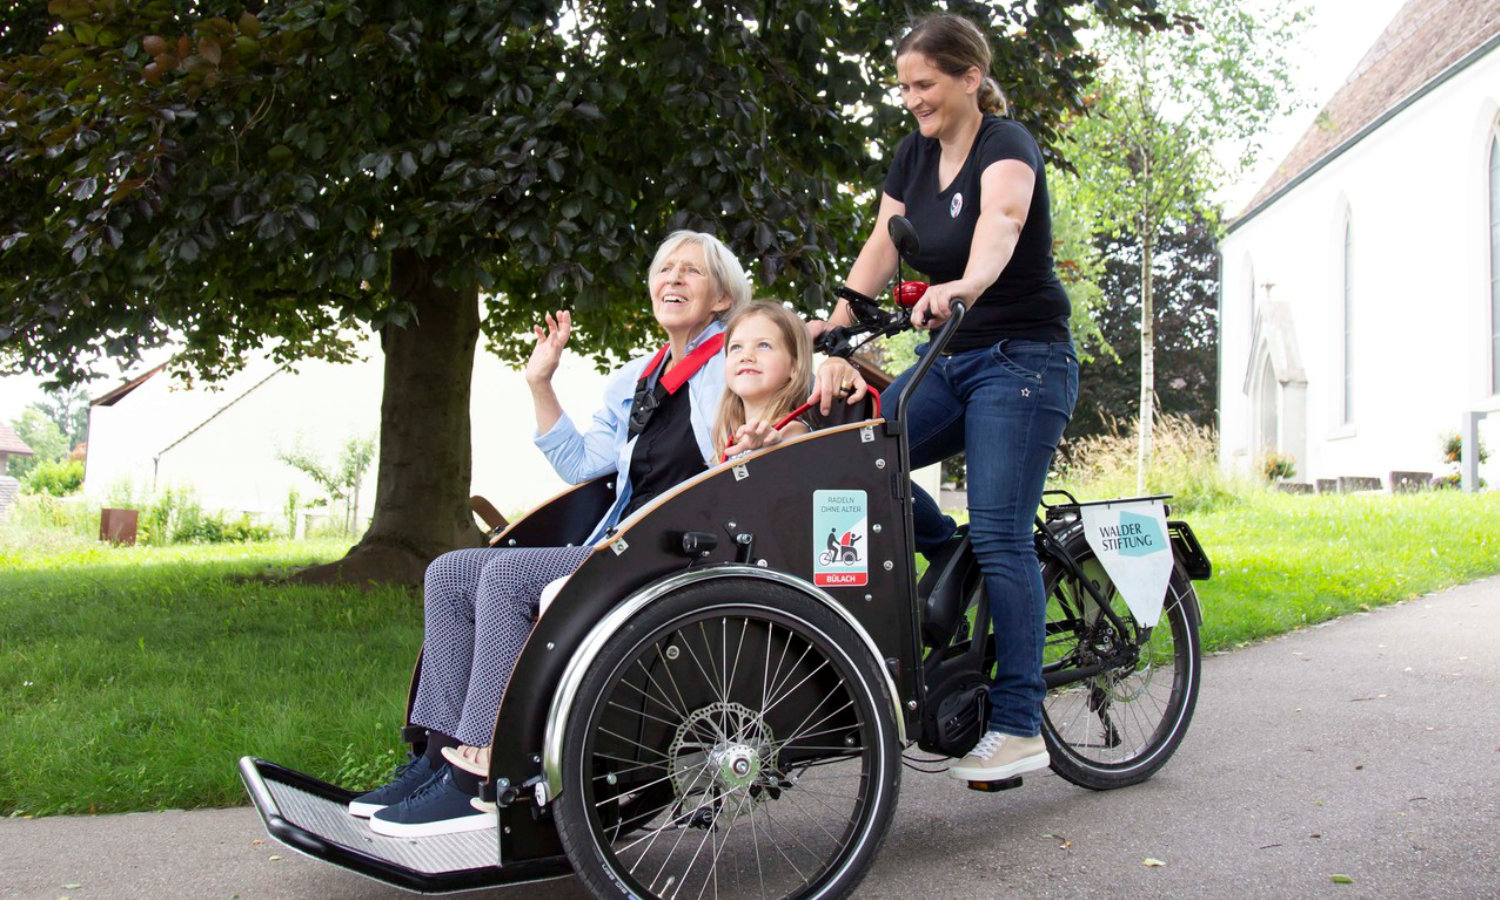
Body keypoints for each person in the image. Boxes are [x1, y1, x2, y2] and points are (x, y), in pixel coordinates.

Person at [348, 230, 751, 838]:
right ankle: (439, 751)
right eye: (664, 269)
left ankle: (481, 772)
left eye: (691, 271)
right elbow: (581, 466)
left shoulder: (732, 360)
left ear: (722, 297)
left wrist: (828, 373)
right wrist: (542, 383)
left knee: (507, 577)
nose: (672, 279)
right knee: (451, 570)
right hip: (621, 539)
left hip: (680, 549)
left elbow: (786, 367)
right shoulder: (638, 380)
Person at [809, 14, 1079, 783]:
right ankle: (947, 559)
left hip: (1022, 361)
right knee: (856, 460)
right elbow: (882, 243)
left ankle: (1021, 720)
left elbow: (1002, 221)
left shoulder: (1007, 145)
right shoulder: (914, 152)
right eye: (904, 87)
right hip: (949, 359)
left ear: (969, 77)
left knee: (1001, 533)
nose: (912, 99)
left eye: (923, 84)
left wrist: (968, 282)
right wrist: (832, 332)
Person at [713, 300, 814, 461]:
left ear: (794, 366)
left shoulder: (791, 431)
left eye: (764, 345)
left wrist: (770, 447)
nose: (746, 356)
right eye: (736, 347)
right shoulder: (728, 439)